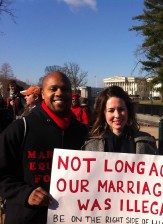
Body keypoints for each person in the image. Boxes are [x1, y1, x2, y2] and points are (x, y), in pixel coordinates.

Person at [0, 71, 88, 224]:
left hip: (71, 217)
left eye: (65, 89)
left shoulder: (84, 132)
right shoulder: (21, 128)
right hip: (26, 217)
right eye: (53, 89)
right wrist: (25, 194)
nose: (59, 93)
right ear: (42, 93)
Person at [81, 85, 159, 155]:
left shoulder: (147, 142)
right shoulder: (91, 145)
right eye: (111, 110)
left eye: (121, 109)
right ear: (104, 113)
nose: (117, 115)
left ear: (128, 110)